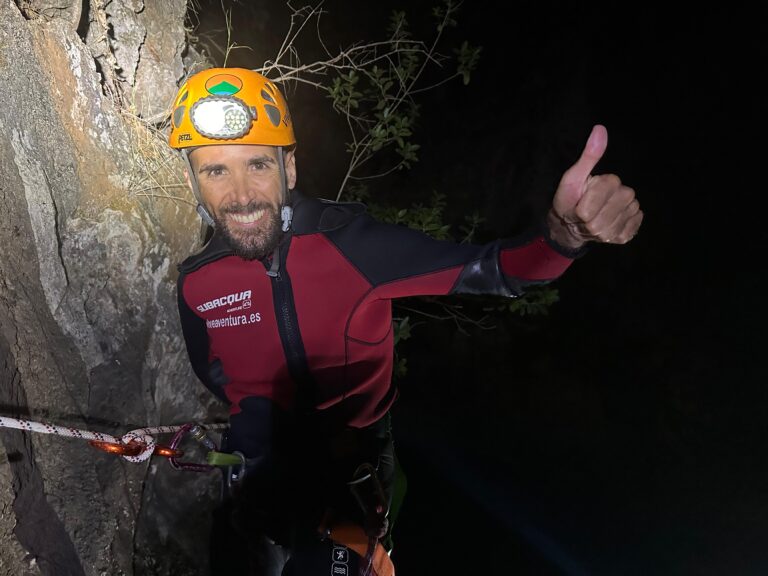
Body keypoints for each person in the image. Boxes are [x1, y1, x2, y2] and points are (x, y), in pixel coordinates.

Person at [168, 67, 642, 575]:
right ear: (194, 181)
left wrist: (564, 234)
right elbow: (215, 375)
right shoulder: (197, 282)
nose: (240, 195)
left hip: (347, 474)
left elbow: (494, 269)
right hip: (255, 476)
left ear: (290, 170)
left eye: (257, 164)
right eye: (215, 170)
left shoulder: (352, 245)